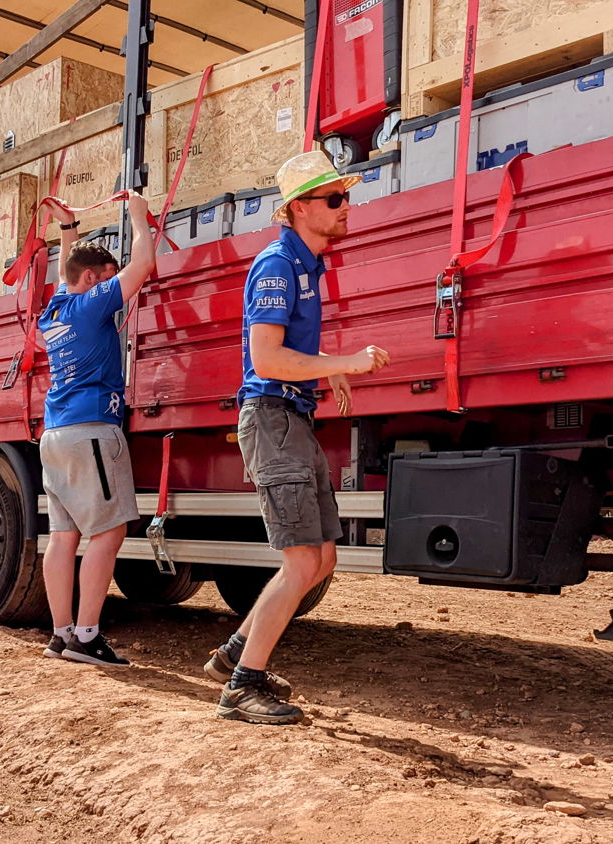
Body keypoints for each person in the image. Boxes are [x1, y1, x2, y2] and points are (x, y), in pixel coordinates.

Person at [205, 151, 391, 723]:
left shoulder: (307, 265)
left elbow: (286, 351)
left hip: (292, 416)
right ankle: (241, 687)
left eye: (345, 197)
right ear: (298, 209)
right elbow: (264, 357)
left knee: (324, 557)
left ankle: (237, 652)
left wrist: (324, 368)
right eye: (334, 199)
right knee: (301, 560)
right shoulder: (278, 265)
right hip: (272, 417)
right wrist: (348, 361)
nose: (345, 207)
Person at [37, 191, 156, 667]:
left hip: (56, 433)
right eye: (107, 280)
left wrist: (69, 231)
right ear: (92, 281)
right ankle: (87, 637)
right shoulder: (89, 305)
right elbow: (143, 264)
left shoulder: (56, 311)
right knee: (109, 533)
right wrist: (138, 218)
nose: (114, 290)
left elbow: (70, 271)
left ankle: (61, 633)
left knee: (64, 537)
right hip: (92, 432)